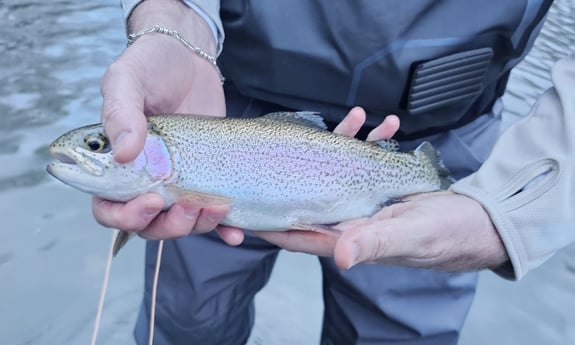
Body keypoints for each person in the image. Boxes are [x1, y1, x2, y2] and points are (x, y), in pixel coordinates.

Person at [93, 0, 575, 344]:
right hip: (210, 105)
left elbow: (515, 206)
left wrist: (510, 210)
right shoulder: (177, 137)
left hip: (448, 130)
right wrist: (171, 18)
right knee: (188, 326)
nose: (103, 149)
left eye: (96, 145)